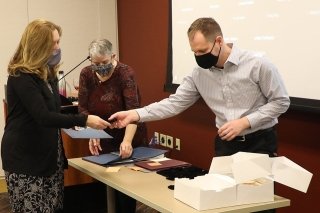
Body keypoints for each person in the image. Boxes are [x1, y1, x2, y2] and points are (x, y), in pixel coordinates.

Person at [109, 17, 290, 213]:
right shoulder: (198, 74)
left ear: (219, 41)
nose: (199, 56)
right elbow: (174, 104)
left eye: (203, 51)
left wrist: (245, 122)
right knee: (223, 204)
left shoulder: (258, 65)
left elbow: (281, 101)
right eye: (194, 52)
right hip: (225, 145)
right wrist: (135, 114)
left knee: (258, 206)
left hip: (259, 143)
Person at [1, 19, 110, 213]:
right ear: (39, 45)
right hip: (25, 160)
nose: (58, 47)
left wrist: (87, 113)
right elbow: (44, 116)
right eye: (54, 43)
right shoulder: (21, 76)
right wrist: (85, 120)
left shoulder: (48, 73)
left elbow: (56, 110)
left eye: (59, 42)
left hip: (50, 158)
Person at [78, 38, 148, 213]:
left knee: (125, 192)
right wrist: (92, 132)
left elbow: (133, 111)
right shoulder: (86, 74)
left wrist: (127, 142)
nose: (100, 67)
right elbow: (83, 109)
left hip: (128, 135)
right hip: (102, 137)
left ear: (113, 56)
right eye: (96, 63)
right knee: (104, 190)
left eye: (105, 62)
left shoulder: (126, 73)